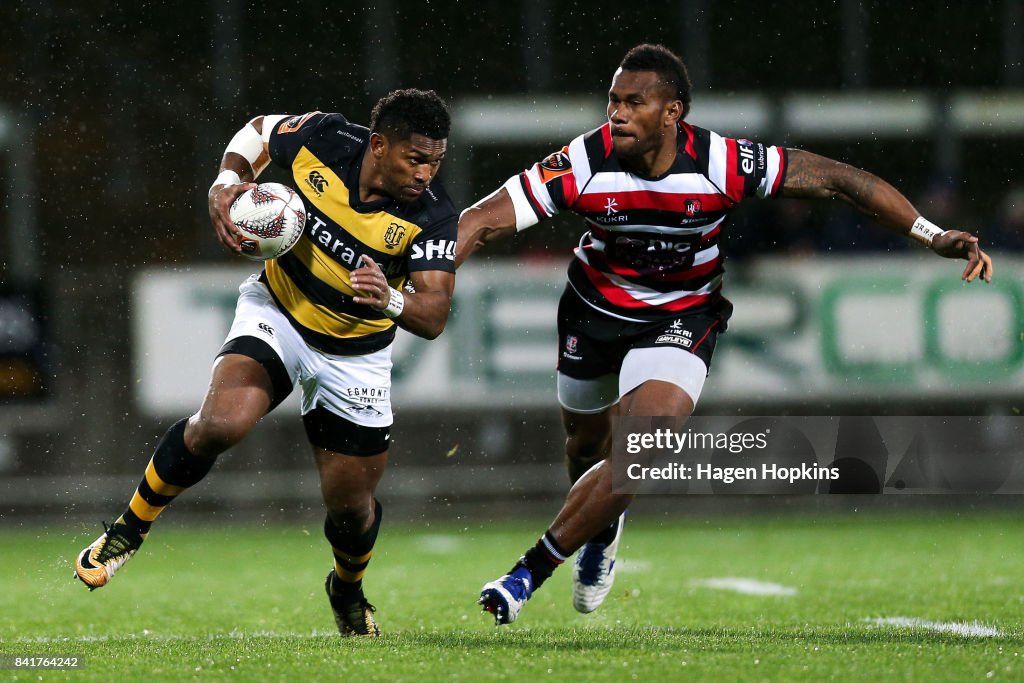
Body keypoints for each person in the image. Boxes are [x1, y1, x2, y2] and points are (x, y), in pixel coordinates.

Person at [456, 44, 994, 625]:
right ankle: (603, 527)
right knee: (585, 449)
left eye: (634, 103)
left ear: (673, 113)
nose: (617, 115)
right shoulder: (583, 162)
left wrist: (929, 232)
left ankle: (526, 574)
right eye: (613, 101)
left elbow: (842, 181)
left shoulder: (724, 162)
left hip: (682, 314)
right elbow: (485, 219)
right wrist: (430, 267)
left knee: (642, 448)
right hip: (594, 313)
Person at [74, 89, 458, 637]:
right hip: (278, 310)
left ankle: (347, 592)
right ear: (378, 144)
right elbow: (257, 131)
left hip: (356, 354)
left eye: (435, 161)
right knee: (218, 426)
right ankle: (127, 530)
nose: (426, 173)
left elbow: (436, 314)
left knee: (351, 509)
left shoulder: (432, 216)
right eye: (415, 158)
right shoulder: (325, 138)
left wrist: (392, 299)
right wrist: (224, 183)